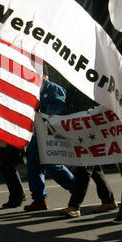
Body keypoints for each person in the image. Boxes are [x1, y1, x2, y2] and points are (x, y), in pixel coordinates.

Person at [22, 72, 75, 211]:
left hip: (51, 133)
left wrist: (42, 111)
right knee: (33, 165)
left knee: (52, 164)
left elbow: (59, 109)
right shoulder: (32, 89)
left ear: (44, 75)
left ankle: (76, 188)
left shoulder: (54, 89)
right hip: (37, 134)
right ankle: (39, 199)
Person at [0, 140, 25, 208]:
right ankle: (18, 195)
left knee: (9, 170)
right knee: (9, 170)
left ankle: (16, 197)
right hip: (5, 143)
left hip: (9, 143)